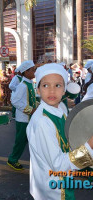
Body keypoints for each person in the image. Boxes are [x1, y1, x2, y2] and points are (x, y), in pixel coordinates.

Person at [27, 63, 93, 200]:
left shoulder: (60, 110)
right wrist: (89, 146)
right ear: (38, 90)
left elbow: (66, 144)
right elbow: (58, 165)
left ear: (64, 90)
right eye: (45, 85)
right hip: (53, 191)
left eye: (57, 85)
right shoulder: (42, 122)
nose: (52, 91)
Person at [7, 60, 37, 170]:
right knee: (20, 141)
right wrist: (29, 110)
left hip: (29, 118)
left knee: (31, 140)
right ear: (26, 71)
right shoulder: (22, 85)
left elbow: (30, 100)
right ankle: (12, 160)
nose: (35, 72)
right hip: (23, 119)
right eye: (33, 70)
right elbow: (14, 100)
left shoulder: (29, 83)